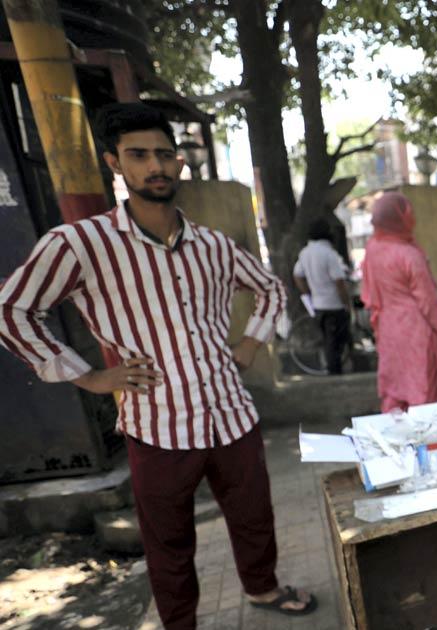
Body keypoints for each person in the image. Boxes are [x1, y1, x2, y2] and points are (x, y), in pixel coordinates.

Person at [0, 102, 315, 628]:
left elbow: (270, 289)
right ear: (115, 163)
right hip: (157, 423)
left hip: (231, 413)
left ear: (179, 163)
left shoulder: (213, 246)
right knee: (168, 541)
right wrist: (87, 375)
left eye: (164, 155)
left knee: (254, 516)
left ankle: (262, 588)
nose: (155, 166)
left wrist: (249, 345)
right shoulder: (80, 243)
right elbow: (12, 309)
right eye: (139, 155)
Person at [360, 192, 437, 411]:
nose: (413, 219)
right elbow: (428, 301)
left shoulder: (372, 249)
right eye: (409, 214)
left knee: (396, 388)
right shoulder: (409, 255)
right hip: (417, 331)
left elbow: (369, 292)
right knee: (424, 389)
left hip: (388, 329)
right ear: (400, 219)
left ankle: (395, 433)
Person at [293, 218, 353, 374]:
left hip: (318, 304)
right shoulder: (329, 254)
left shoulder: (305, 253)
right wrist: (346, 303)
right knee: (336, 343)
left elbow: (297, 275)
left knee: (329, 340)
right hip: (334, 304)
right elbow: (339, 281)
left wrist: (307, 293)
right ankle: (335, 372)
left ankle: (333, 369)